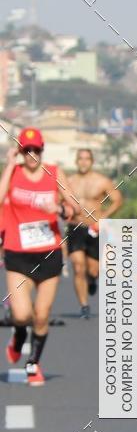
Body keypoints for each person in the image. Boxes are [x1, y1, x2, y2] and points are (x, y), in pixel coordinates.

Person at [0, 128, 74, 385]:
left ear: (42, 150)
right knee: (21, 315)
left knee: (41, 314)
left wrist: (60, 208)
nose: (32, 155)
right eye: (26, 150)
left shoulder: (54, 173)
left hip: (48, 253)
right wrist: (9, 166)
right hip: (18, 254)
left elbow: (74, 206)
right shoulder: (14, 173)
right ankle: (19, 337)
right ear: (20, 152)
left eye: (36, 150)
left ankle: (33, 364)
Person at [66, 148, 123, 318]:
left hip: (94, 228)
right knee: (77, 266)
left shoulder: (102, 181)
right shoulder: (68, 182)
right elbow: (59, 201)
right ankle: (84, 306)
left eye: (87, 159)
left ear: (92, 161)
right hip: (75, 227)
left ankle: (91, 280)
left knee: (93, 270)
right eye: (80, 159)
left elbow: (117, 200)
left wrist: (103, 218)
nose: (83, 162)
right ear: (76, 161)